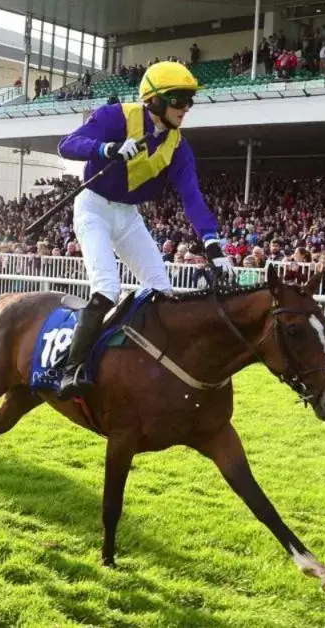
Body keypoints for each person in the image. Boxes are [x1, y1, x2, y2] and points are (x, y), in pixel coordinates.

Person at [54, 60, 232, 399]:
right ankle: (70, 370)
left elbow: (192, 197)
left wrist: (214, 248)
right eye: (180, 99)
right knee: (107, 286)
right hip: (94, 208)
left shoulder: (180, 147)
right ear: (154, 100)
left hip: (129, 217)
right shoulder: (115, 117)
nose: (187, 107)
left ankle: (154, 364)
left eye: (190, 100)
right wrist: (106, 149)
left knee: (162, 292)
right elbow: (67, 144)